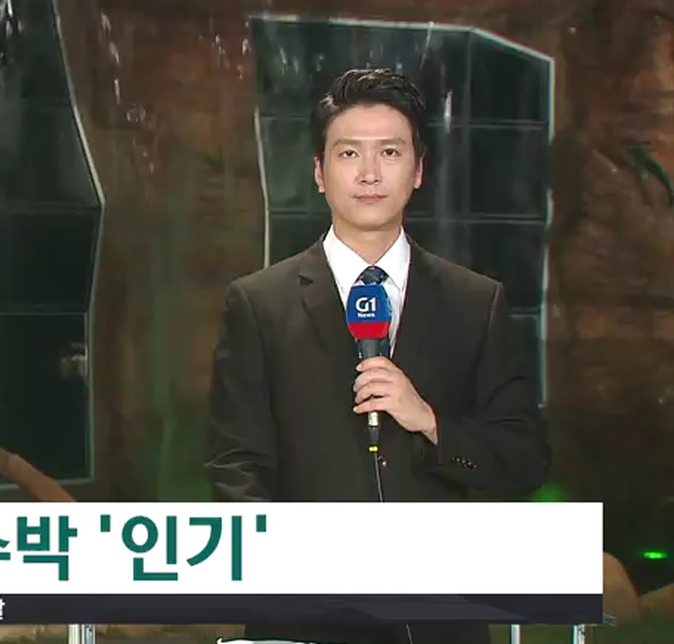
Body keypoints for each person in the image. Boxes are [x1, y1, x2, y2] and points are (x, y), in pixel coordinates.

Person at [205, 69, 550, 644]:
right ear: (320, 173)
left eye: (390, 152)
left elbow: (524, 459)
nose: (369, 173)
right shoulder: (259, 303)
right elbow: (236, 466)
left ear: (418, 170)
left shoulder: (476, 302)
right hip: (307, 618)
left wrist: (431, 422)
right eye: (349, 153)